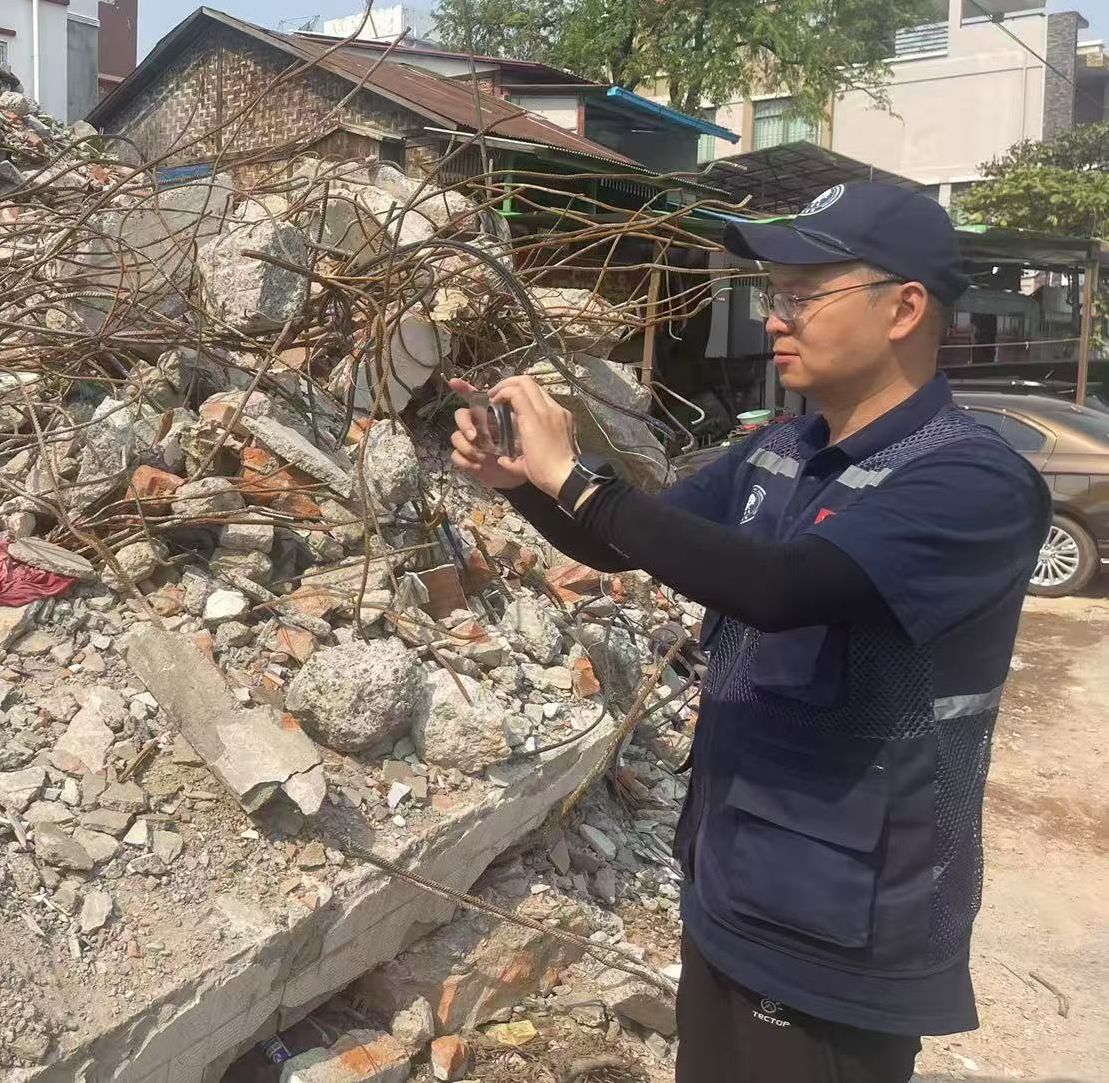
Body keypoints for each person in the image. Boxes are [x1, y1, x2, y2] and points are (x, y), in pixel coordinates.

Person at [449, 181, 1050, 1083]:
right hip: (731, 884)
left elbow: (780, 587)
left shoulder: (972, 482)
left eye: (803, 295)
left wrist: (573, 475)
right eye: (775, 294)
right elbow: (628, 539)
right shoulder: (781, 449)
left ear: (904, 308)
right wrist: (524, 483)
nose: (775, 318)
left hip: (843, 930)